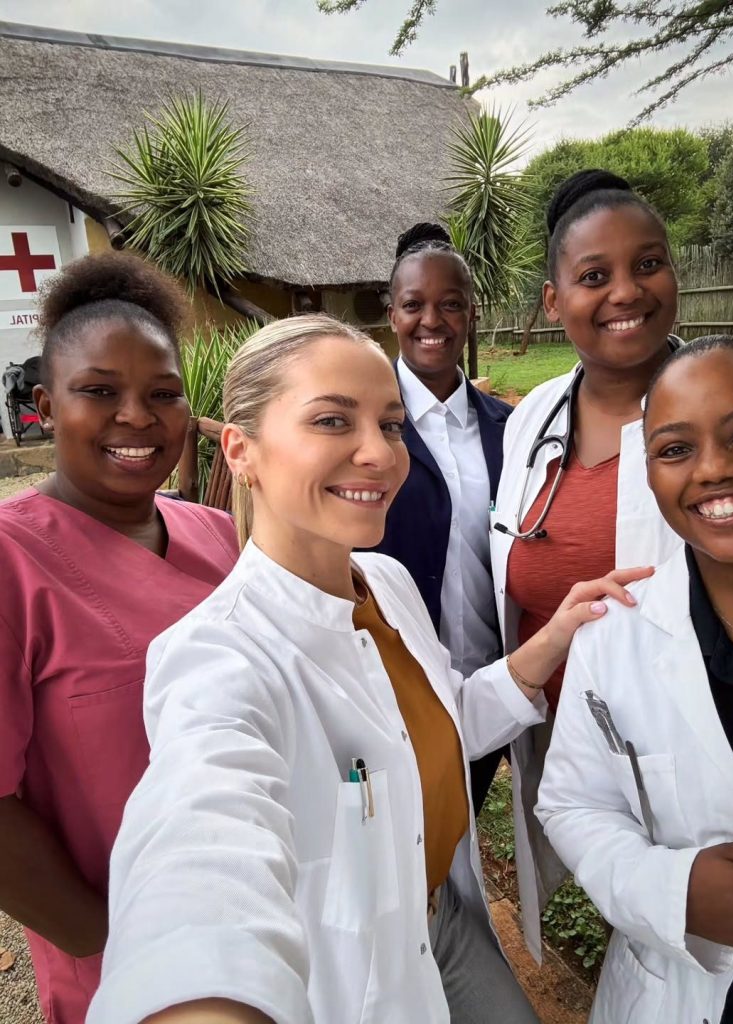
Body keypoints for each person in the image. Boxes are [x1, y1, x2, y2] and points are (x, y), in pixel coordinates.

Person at [88, 314, 648, 1024]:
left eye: (390, 425)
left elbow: (434, 723)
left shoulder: (386, 583)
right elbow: (198, 856)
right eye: (332, 420)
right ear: (240, 450)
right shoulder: (217, 657)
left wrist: (556, 634)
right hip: (355, 981)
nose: (380, 454)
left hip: (443, 920)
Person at [0, 252, 239, 1024]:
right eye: (100, 391)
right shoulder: (12, 563)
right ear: (45, 404)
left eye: (163, 394)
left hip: (255, 915)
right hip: (125, 960)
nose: (137, 417)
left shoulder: (222, 537)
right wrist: (104, 938)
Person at [536, 335, 733, 1024]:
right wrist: (676, 892)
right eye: (675, 449)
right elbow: (573, 804)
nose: (715, 469)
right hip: (685, 990)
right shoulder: (614, 636)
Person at [488, 169, 684, 958]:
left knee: (691, 930)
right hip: (566, 739)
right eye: (595, 276)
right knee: (618, 905)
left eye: (648, 264)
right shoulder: (531, 418)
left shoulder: (726, 406)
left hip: (688, 738)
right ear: (552, 299)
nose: (626, 292)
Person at [374, 222, 512, 811]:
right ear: (392, 315)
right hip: (392, 691)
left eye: (450, 304)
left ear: (472, 314)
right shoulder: (364, 429)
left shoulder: (509, 431)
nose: (432, 320)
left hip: (488, 685)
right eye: (413, 305)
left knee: (465, 823)